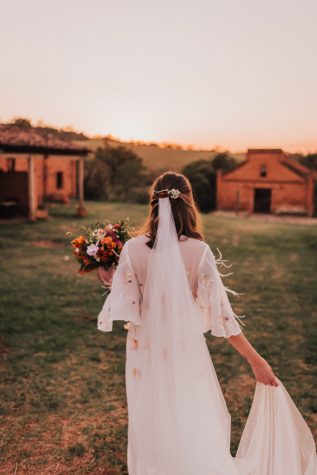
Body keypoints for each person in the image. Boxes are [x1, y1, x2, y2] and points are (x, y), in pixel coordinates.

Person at [97, 172, 317, 475]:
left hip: (144, 351)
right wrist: (256, 360)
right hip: (185, 350)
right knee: (190, 414)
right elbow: (223, 317)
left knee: (151, 416)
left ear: (153, 202)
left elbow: (127, 302)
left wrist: (107, 272)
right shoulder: (198, 252)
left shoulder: (133, 249)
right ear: (189, 203)